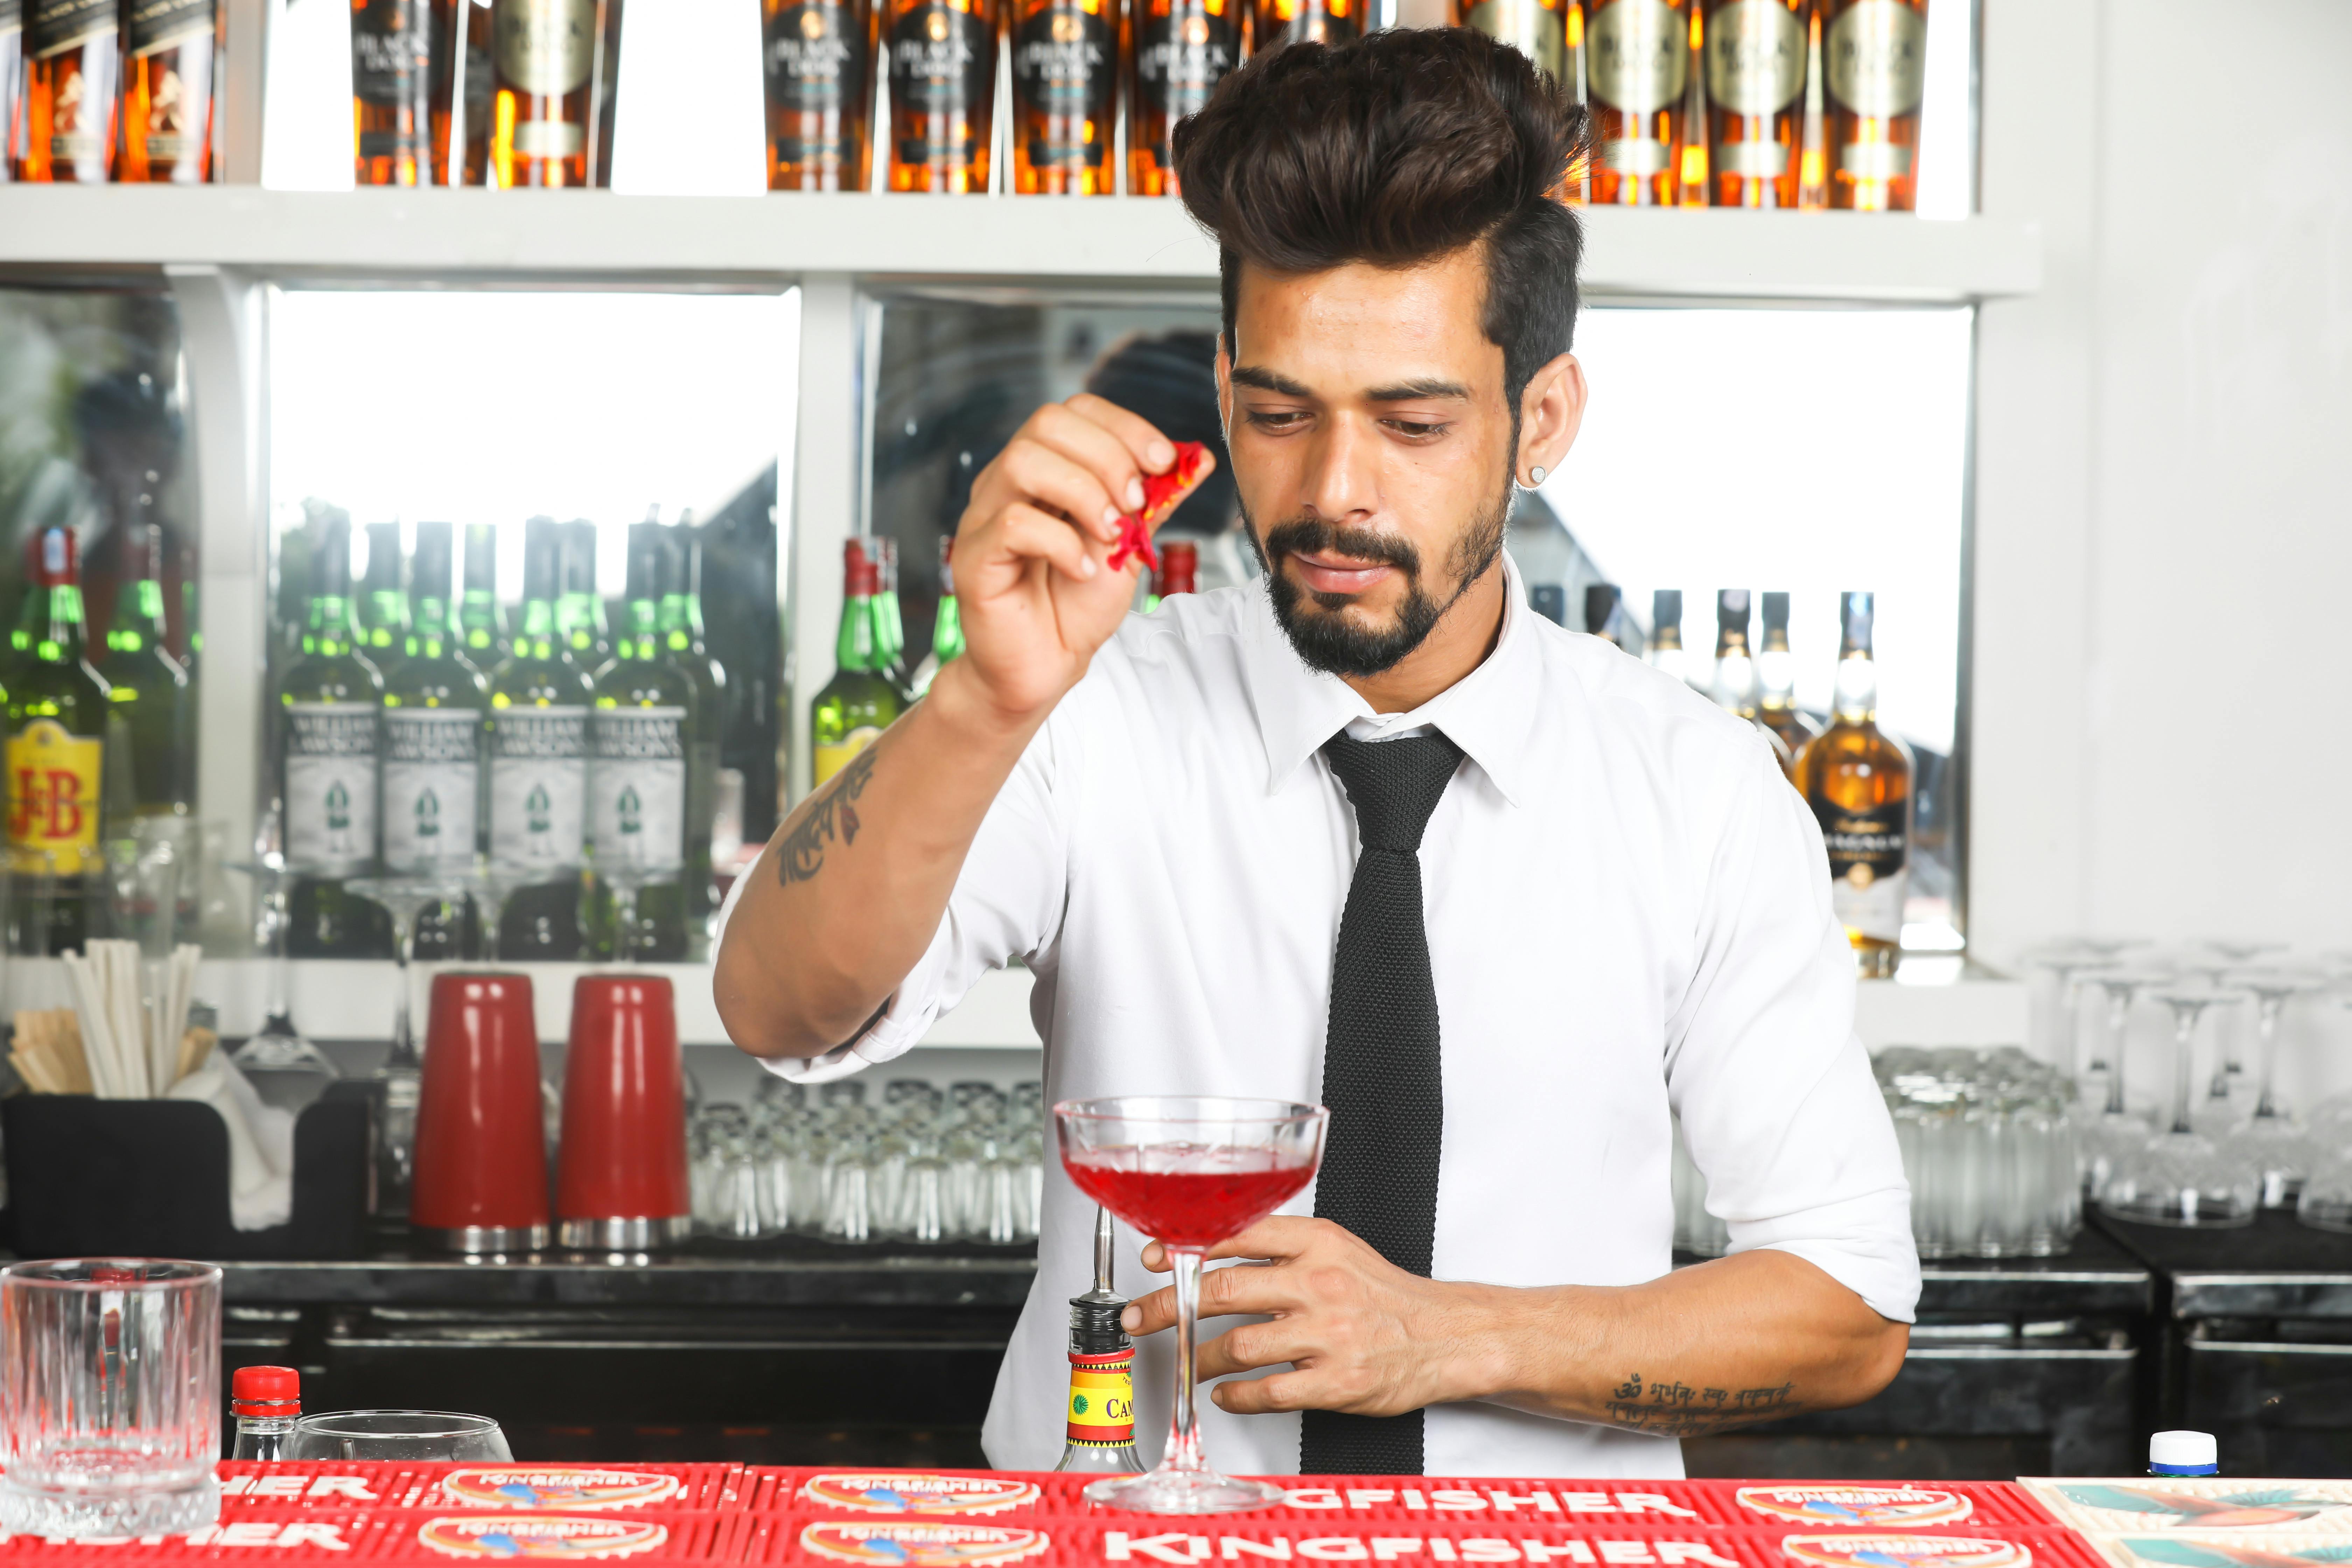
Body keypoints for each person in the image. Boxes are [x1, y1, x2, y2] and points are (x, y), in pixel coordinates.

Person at [716, 28, 1916, 1478]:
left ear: (1542, 419)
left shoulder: (1695, 791)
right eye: (1282, 416)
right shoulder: (1092, 712)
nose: (1335, 494)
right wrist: (982, 698)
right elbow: (778, 1009)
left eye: (1413, 424)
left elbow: (1846, 1308)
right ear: (1223, 397)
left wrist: (1452, 1335)